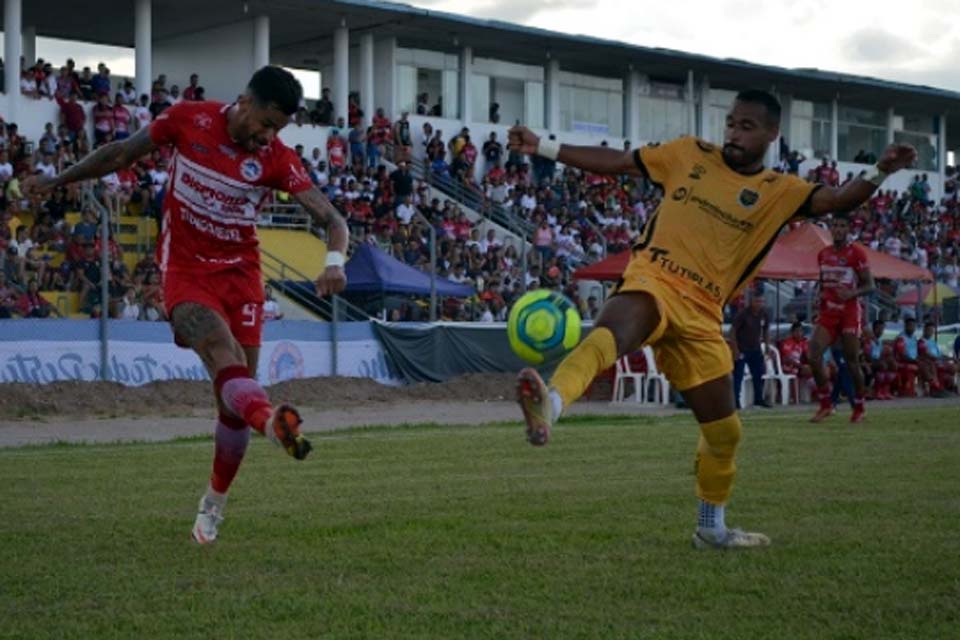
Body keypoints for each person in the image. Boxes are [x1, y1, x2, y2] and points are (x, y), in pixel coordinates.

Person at [508, 89, 917, 550]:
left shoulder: (780, 191)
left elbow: (840, 198)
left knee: (724, 433)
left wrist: (881, 170)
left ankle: (711, 528)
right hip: (655, 279)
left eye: (747, 127)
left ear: (772, 134)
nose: (734, 134)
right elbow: (620, 162)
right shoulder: (688, 154)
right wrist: (543, 146)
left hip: (704, 314)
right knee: (610, 335)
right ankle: (551, 404)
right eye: (731, 123)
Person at [23, 66, 349, 545]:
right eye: (265, 124)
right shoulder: (187, 119)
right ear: (244, 102)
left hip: (242, 277)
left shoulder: (278, 158)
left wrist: (334, 261)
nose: (267, 137)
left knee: (233, 403)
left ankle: (213, 502)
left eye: (277, 130)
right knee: (220, 351)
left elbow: (333, 220)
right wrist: (57, 181)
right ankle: (273, 424)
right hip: (186, 270)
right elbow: (120, 153)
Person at [807, 215, 874, 423]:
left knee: (851, 361)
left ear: (848, 229)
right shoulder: (823, 254)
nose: (838, 229)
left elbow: (870, 285)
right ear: (831, 229)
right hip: (828, 312)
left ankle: (859, 406)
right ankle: (826, 404)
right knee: (813, 354)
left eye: (842, 226)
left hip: (849, 313)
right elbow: (822, 281)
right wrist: (819, 294)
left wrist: (852, 293)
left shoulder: (857, 253)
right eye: (835, 225)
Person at [730, 291, 772, 409]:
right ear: (751, 302)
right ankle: (735, 401)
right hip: (742, 349)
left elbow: (766, 330)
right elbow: (732, 331)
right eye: (757, 301)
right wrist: (735, 349)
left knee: (758, 374)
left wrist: (767, 345)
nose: (759, 304)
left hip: (756, 349)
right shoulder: (743, 314)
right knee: (738, 376)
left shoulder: (764, 314)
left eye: (761, 301)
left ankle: (758, 399)